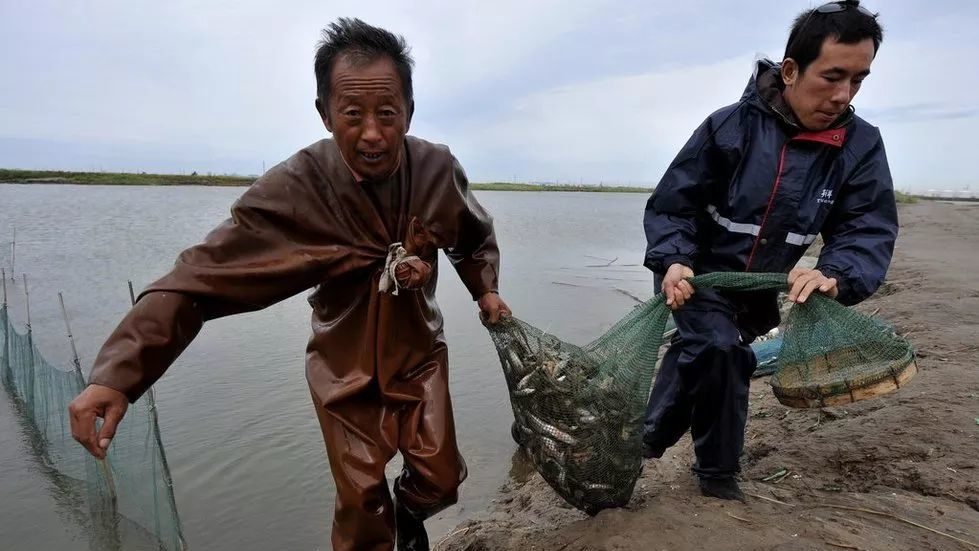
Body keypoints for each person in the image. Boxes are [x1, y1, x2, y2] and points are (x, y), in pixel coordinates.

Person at [68, 18, 510, 551]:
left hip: (419, 356)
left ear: (408, 111)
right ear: (325, 114)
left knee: (441, 478)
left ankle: (411, 514)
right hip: (343, 371)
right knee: (362, 502)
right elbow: (199, 279)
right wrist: (117, 375)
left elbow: (472, 234)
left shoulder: (438, 170)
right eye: (352, 114)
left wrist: (484, 287)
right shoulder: (297, 188)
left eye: (387, 114)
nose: (372, 132)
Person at [641, 0, 897, 502]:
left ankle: (645, 436)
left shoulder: (860, 145)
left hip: (761, 289)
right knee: (722, 352)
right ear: (790, 70)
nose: (843, 95)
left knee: (702, 357)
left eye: (859, 80)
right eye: (832, 76)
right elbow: (675, 207)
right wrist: (673, 257)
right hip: (696, 275)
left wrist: (834, 272)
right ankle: (715, 474)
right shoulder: (728, 127)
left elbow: (867, 226)